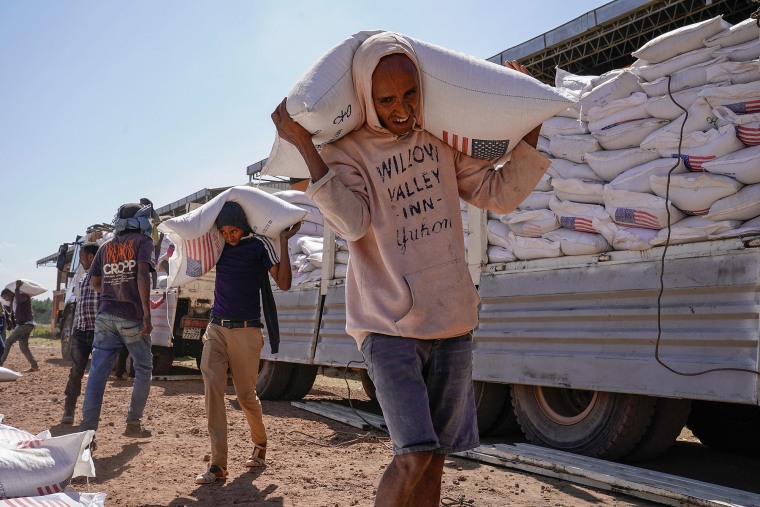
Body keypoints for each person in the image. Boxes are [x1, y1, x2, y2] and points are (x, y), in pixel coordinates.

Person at [272, 32, 549, 506]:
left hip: (452, 319)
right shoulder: (346, 153)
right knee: (414, 454)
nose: (401, 109)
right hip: (387, 326)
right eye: (386, 99)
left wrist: (529, 119)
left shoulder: (439, 141)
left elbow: (498, 193)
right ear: (364, 95)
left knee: (437, 455)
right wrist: (303, 144)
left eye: (410, 94)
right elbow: (354, 222)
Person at [195, 201, 300, 485]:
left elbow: (285, 283)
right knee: (212, 389)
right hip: (216, 327)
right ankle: (218, 465)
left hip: (246, 331)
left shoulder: (258, 247)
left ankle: (260, 445)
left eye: (233, 230)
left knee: (245, 396)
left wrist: (284, 241)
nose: (229, 236)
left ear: (243, 227)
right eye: (224, 231)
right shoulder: (217, 247)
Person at [78, 202, 156, 442]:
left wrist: (113, 291)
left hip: (105, 317)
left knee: (98, 374)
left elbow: (96, 284)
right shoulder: (143, 243)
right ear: (142, 222)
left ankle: (87, 435)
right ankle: (133, 423)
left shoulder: (105, 247)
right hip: (131, 316)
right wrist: (146, 313)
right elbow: (143, 275)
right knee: (143, 367)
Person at [61, 242, 101, 424]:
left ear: (92, 257)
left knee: (97, 375)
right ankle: (69, 410)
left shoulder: (104, 277)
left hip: (99, 333)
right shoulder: (83, 278)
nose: (81, 261)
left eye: (82, 257)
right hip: (81, 331)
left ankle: (89, 415)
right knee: (76, 371)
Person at [0, 282, 39, 373]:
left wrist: (17, 289)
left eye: (6, 297)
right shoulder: (14, 301)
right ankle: (34, 366)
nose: (6, 299)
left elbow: (20, 301)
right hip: (23, 325)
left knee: (8, 342)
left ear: (10, 293)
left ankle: (0, 363)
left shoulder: (24, 297)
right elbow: (13, 315)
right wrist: (11, 323)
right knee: (23, 347)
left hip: (26, 325)